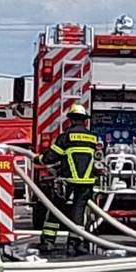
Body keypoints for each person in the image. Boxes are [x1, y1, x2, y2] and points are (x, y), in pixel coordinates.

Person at [46, 102, 101, 257]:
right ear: (85, 120)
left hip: (67, 181)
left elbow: (51, 157)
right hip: (86, 183)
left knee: (57, 209)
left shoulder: (65, 137)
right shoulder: (93, 137)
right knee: (79, 212)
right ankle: (74, 244)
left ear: (70, 119)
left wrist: (38, 159)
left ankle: (49, 240)